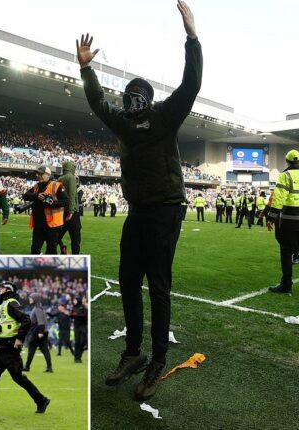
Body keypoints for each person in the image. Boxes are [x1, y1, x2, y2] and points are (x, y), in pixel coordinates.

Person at [77, 0, 202, 400]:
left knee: (158, 286)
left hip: (166, 209)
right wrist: (86, 69)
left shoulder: (164, 116)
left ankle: (157, 361)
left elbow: (191, 85)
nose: (131, 102)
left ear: (146, 98)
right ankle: (133, 352)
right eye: (128, 96)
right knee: (129, 280)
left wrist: (192, 37)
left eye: (137, 96)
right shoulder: (126, 123)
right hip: (138, 210)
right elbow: (98, 103)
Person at [0, 282, 50, 414]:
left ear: (8, 290)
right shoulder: (2, 305)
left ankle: (41, 400)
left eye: (1, 287)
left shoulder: (11, 303)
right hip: (2, 347)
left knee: (18, 377)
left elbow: (26, 320)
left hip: (10, 347)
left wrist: (19, 338)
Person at [266, 150, 299, 294]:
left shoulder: (285, 175)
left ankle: (286, 284)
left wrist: (271, 217)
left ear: (287, 161)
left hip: (289, 220)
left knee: (286, 252)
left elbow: (278, 198)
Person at [24, 166, 69, 255]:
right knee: (35, 249)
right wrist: (37, 196)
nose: (38, 176)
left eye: (41, 174)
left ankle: (51, 264)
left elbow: (66, 201)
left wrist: (51, 203)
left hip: (53, 226)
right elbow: (25, 196)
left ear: (48, 175)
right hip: (39, 224)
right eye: (38, 174)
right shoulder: (36, 186)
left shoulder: (56, 185)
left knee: (51, 250)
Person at [57, 161, 82, 254]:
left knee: (58, 235)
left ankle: (56, 250)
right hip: (72, 212)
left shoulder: (59, 178)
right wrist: (71, 211)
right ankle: (75, 255)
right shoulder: (71, 177)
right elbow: (72, 195)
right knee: (75, 237)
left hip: (61, 211)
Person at [23, 294, 52, 373]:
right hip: (41, 331)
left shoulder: (37, 309)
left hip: (38, 332)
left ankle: (27, 366)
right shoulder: (39, 307)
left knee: (32, 349)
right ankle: (49, 367)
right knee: (44, 349)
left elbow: (40, 321)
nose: (29, 299)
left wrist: (40, 332)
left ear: (35, 299)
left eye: (31, 298)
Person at [72, 296, 88, 364]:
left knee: (82, 342)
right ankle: (76, 357)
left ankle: (79, 356)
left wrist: (77, 315)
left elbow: (84, 315)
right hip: (76, 326)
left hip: (83, 326)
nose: (74, 301)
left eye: (75, 300)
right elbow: (72, 315)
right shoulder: (74, 308)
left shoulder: (83, 307)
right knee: (77, 342)